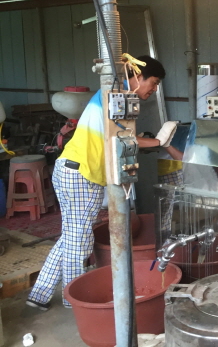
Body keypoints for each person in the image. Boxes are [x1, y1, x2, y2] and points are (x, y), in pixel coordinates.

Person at [26, 55, 178, 310]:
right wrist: (159, 142)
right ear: (138, 76)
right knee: (79, 242)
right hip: (82, 174)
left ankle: (39, 294)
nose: (154, 89)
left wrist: (146, 140)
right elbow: (121, 139)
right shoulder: (116, 95)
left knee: (71, 236)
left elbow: (121, 134)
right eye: (153, 82)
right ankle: (73, 302)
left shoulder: (115, 96)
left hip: (71, 169)